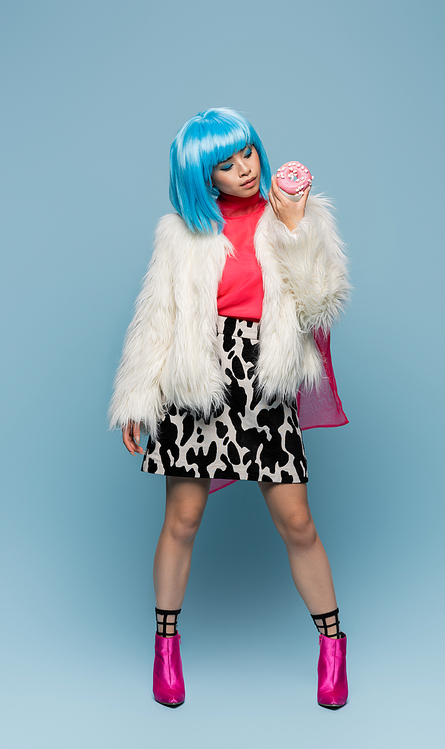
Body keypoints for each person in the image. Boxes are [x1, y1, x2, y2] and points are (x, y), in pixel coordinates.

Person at [108, 108, 351, 709]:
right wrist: (138, 395)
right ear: (202, 176)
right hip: (196, 381)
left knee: (298, 522)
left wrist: (295, 228)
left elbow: (322, 304)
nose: (244, 169)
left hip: (263, 380)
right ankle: (166, 646)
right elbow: (158, 318)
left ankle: (334, 645)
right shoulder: (180, 233)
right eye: (226, 162)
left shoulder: (294, 213)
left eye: (247, 153)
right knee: (183, 519)